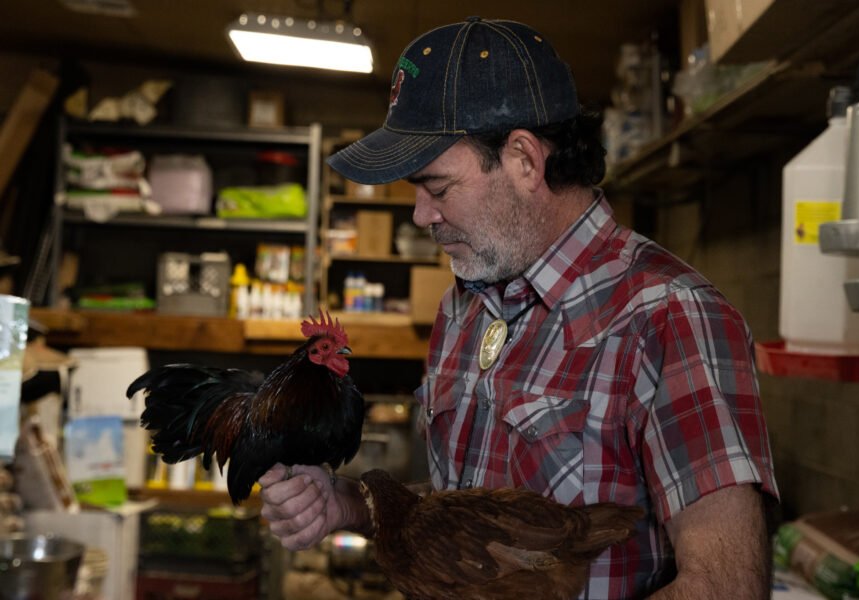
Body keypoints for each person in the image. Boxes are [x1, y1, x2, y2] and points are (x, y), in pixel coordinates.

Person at [260, 16, 779, 599]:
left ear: (525, 160)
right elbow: (472, 522)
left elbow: (726, 586)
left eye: (438, 187)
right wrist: (353, 504)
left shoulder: (668, 315)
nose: (421, 215)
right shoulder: (466, 306)